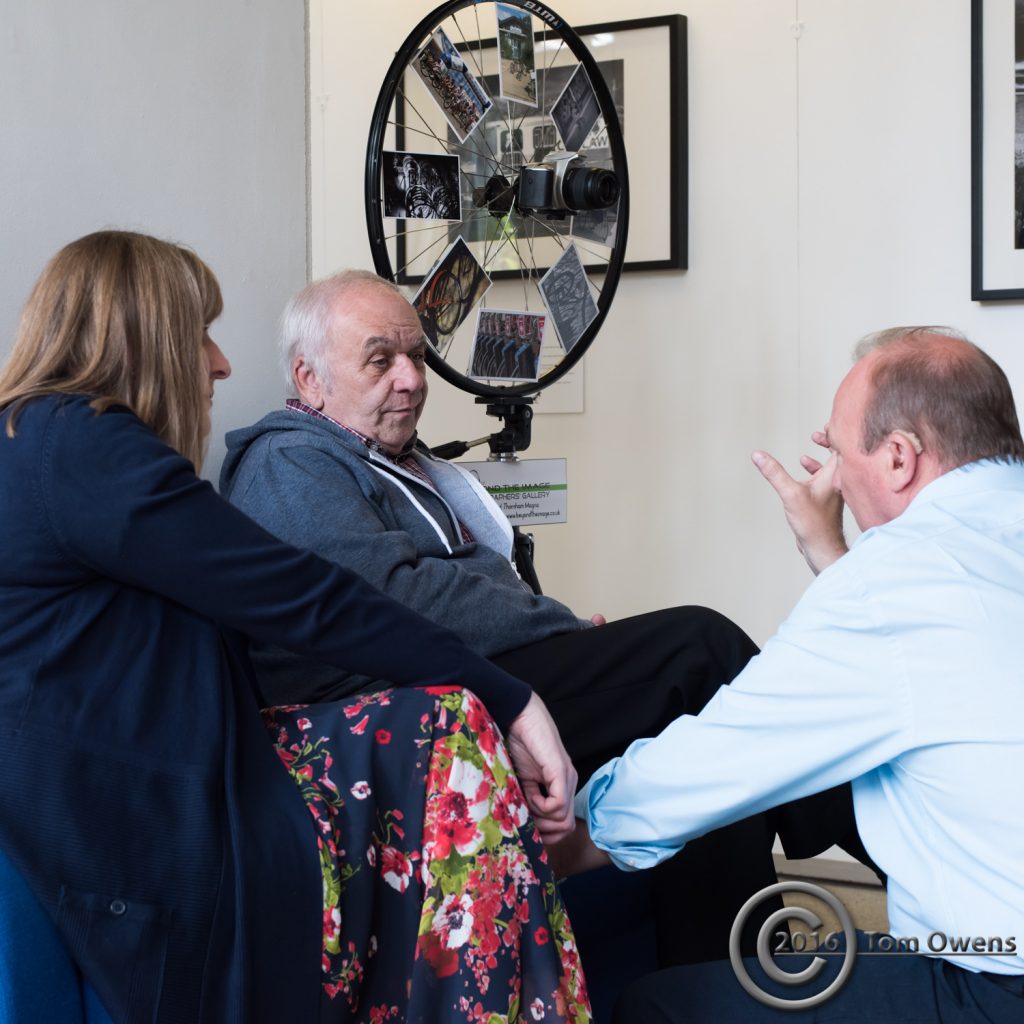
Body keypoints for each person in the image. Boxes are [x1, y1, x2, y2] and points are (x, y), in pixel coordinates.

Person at [0, 231, 591, 1024]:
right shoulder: (83, 448)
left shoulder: (42, 445)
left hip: (150, 780)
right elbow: (304, 597)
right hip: (137, 822)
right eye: (200, 334)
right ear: (142, 339)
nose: (220, 363)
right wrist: (510, 696)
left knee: (437, 724)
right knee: (448, 731)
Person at [219, 270, 869, 972]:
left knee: (695, 755)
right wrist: (555, 628)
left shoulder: (392, 461)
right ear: (308, 378)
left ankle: (723, 987)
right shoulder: (290, 459)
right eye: (380, 360)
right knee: (697, 649)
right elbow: (395, 597)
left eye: (415, 356)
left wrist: (549, 630)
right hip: (400, 716)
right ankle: (861, 811)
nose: (410, 379)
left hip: (463, 683)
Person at [560, 327, 1024, 1021]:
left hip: (995, 982)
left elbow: (717, 761)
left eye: (836, 448)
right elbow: (937, 669)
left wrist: (566, 834)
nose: (829, 470)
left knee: (656, 1008)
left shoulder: (892, 582)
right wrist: (830, 548)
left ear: (898, 458)